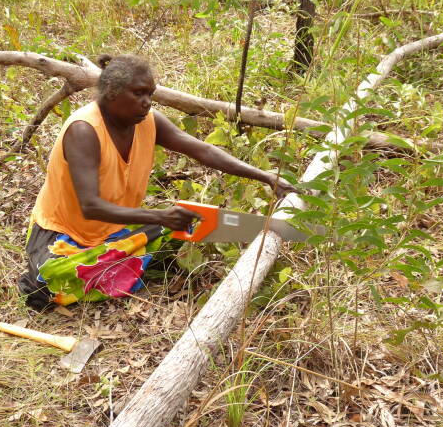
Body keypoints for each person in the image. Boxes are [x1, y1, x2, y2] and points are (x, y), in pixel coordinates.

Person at [18, 54, 296, 310]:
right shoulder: (84, 131)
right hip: (64, 234)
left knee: (186, 228)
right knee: (51, 280)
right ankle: (113, 267)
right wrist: (160, 216)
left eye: (150, 93)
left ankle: (119, 264)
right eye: (138, 93)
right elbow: (90, 206)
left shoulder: (149, 121)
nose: (147, 102)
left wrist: (265, 176)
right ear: (112, 92)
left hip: (115, 227)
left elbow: (203, 150)